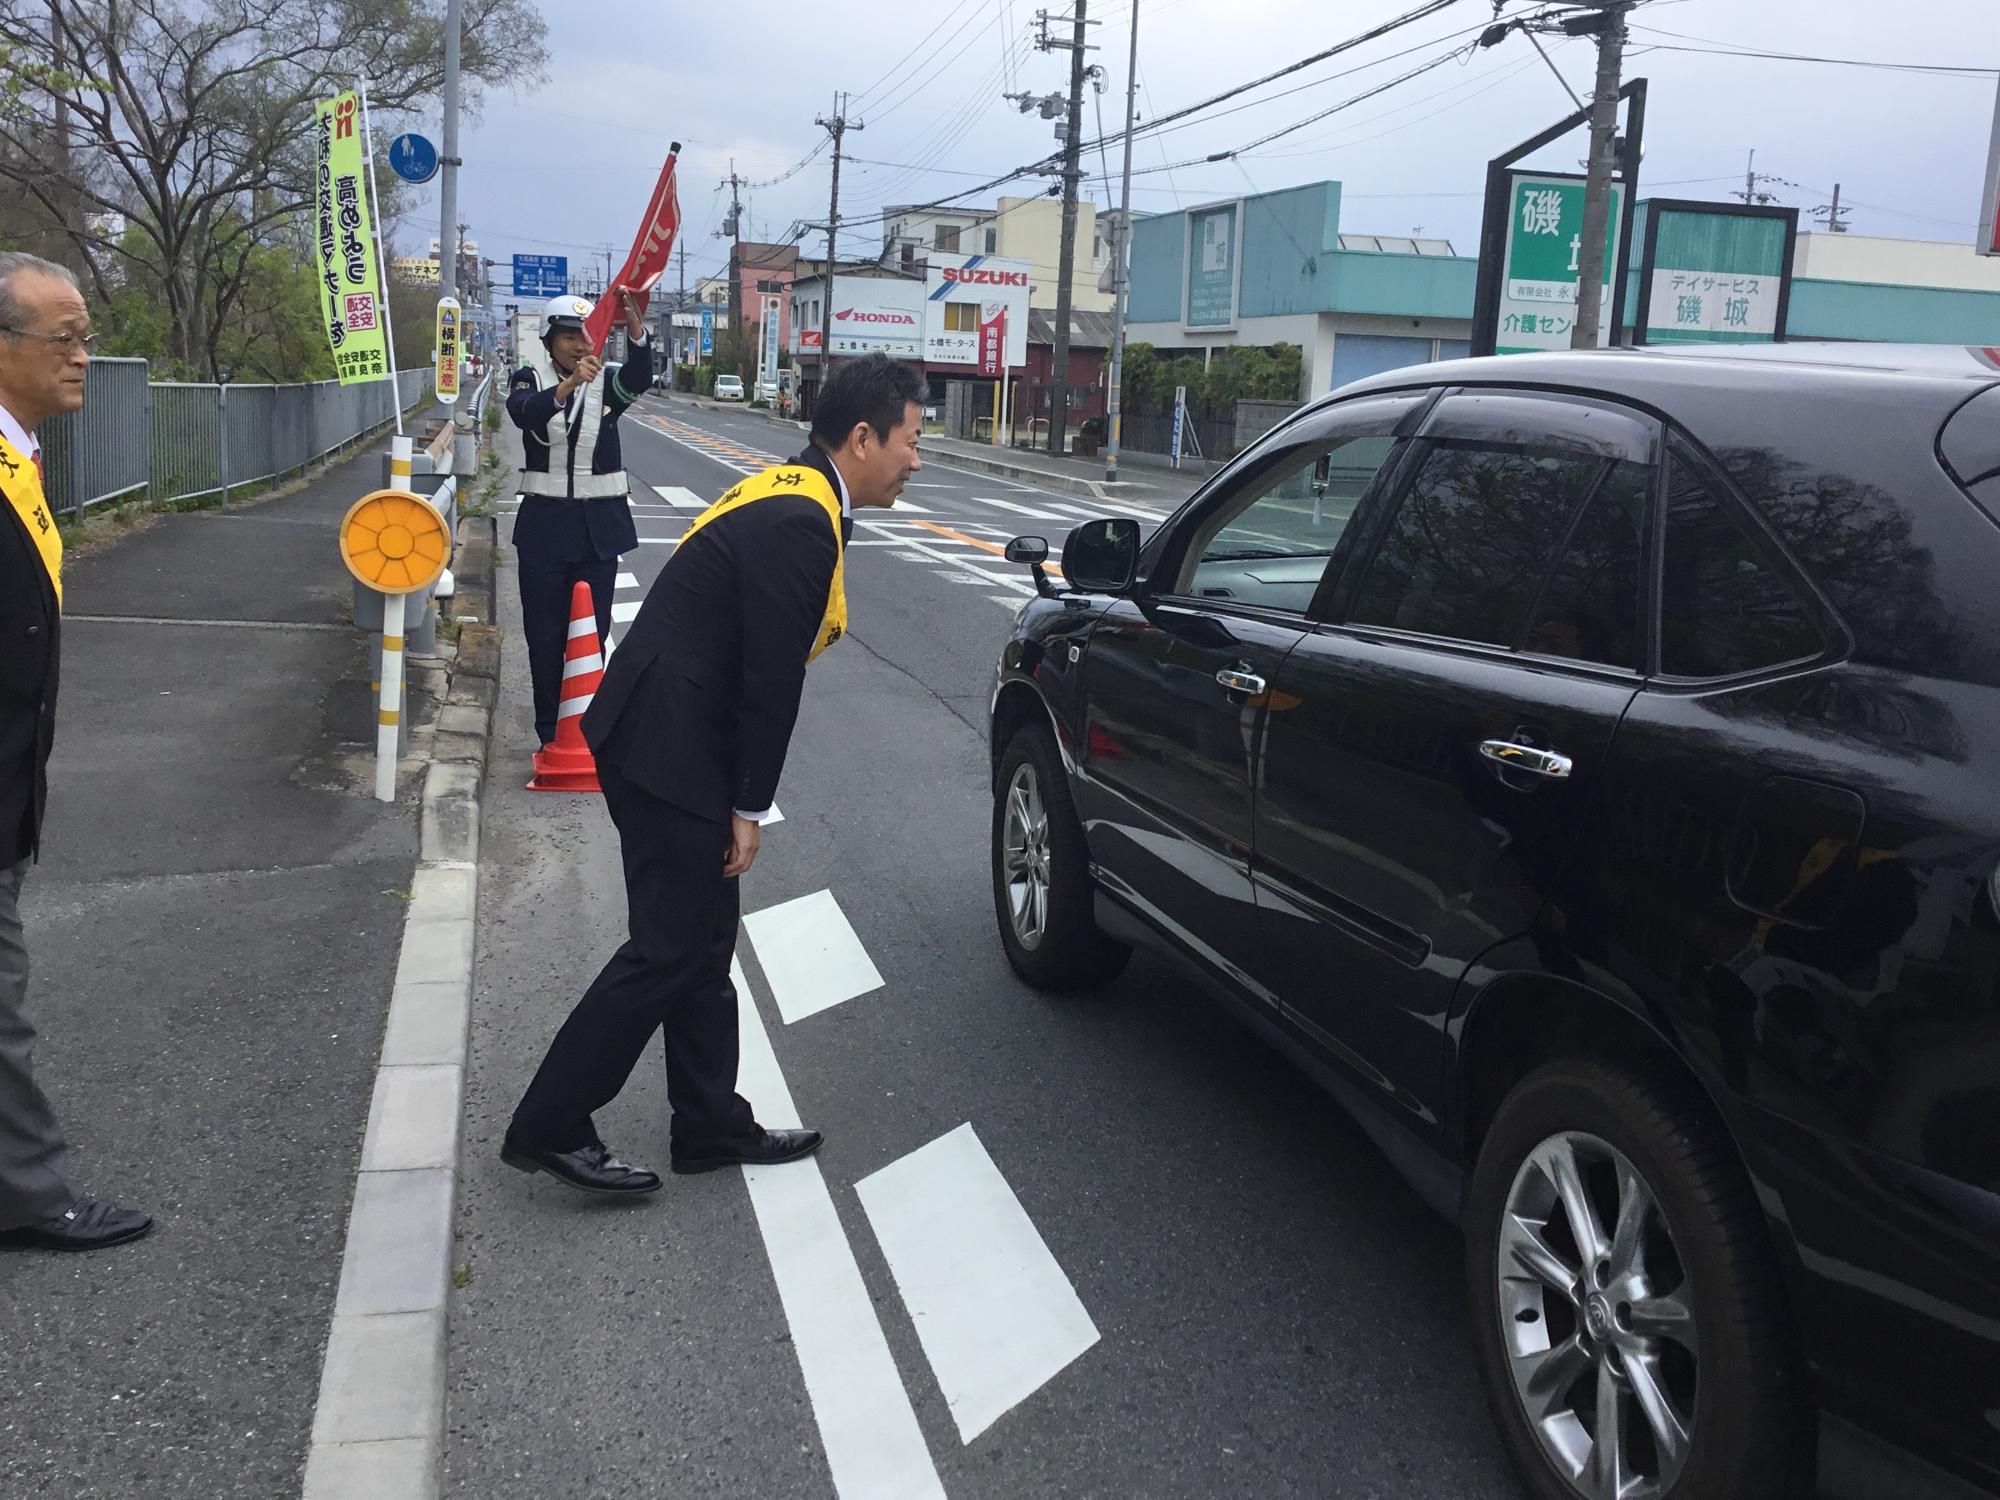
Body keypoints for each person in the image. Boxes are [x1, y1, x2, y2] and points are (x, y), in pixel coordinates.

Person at [502, 354, 927, 1194]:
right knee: (669, 948)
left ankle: (706, 1124)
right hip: (668, 750)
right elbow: (770, 682)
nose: (919, 460)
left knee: (700, 945)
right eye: (913, 441)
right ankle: (550, 1122)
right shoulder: (802, 520)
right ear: (864, 437)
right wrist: (748, 807)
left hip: (663, 733)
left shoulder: (793, 492)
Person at [0, 252, 151, 1252]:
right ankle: (27, 1191)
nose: (84, 357)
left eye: (86, 336)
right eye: (65, 337)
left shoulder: (21, 460)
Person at [506, 289, 654, 749]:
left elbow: (640, 376)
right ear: (549, 341)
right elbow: (524, 413)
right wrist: (568, 387)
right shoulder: (528, 378)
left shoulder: (608, 383)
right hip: (544, 535)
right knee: (545, 637)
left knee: (591, 638)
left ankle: (588, 734)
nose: (578, 345)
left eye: (585, 336)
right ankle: (551, 734)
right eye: (568, 337)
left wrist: (634, 331)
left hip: (598, 535)